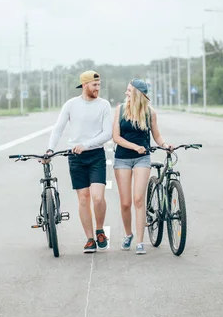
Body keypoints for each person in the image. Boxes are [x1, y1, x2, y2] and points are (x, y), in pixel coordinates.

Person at [45, 70, 113, 253]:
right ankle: (90, 239)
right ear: (84, 85)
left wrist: (86, 144)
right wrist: (50, 149)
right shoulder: (71, 105)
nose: (97, 88)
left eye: (99, 85)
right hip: (75, 157)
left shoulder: (104, 105)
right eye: (94, 85)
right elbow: (58, 129)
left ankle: (100, 230)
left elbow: (107, 133)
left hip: (96, 154)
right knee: (83, 199)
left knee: (98, 197)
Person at [112, 79, 173, 255]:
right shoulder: (120, 110)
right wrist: (134, 147)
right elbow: (115, 137)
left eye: (129, 91)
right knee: (125, 203)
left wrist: (165, 145)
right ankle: (128, 234)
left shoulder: (150, 113)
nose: (126, 94)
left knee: (139, 199)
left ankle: (140, 241)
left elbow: (157, 135)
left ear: (138, 93)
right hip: (122, 158)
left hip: (142, 159)